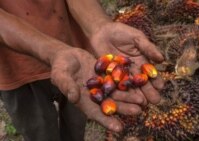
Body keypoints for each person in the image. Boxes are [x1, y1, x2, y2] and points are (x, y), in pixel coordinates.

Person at [0, 0, 164, 141]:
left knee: (76, 122)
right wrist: (52, 52)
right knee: (40, 131)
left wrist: (99, 25)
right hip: (15, 67)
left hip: (76, 58)